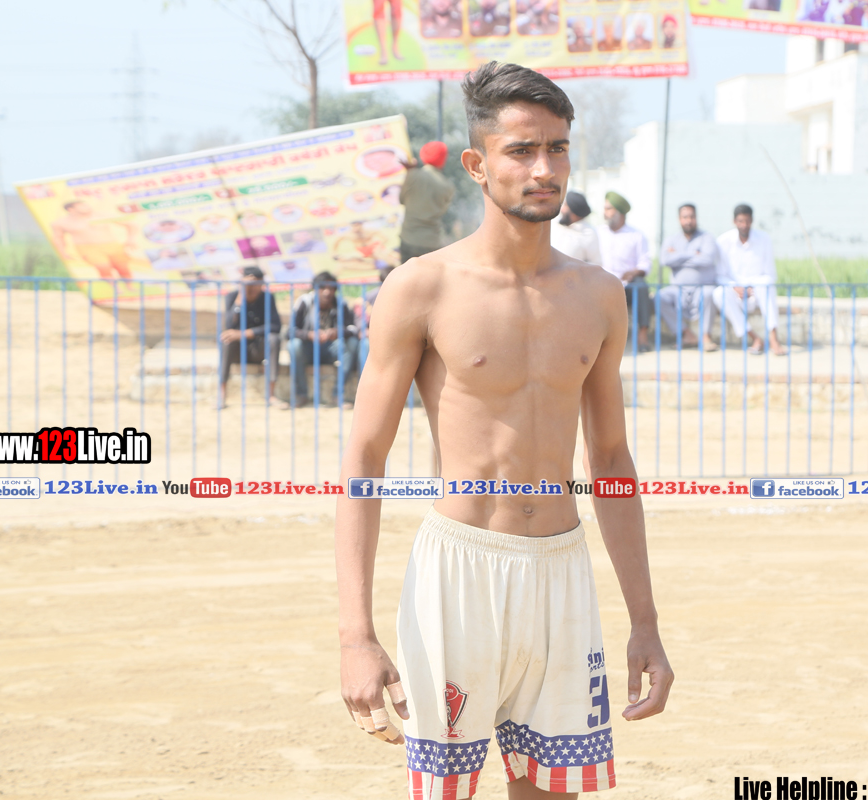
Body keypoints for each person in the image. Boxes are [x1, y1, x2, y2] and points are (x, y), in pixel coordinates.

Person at [335, 61, 673, 800]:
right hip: (459, 573)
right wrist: (355, 634)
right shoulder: (422, 287)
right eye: (521, 150)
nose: (543, 169)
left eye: (557, 148)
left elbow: (611, 458)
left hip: (562, 573)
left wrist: (644, 621)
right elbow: (364, 454)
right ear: (477, 164)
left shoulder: (598, 296)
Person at [712, 204, 785, 355]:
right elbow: (719, 275)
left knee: (768, 287)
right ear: (734, 221)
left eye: (747, 221)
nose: (744, 225)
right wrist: (735, 287)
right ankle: (755, 338)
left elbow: (770, 275)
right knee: (718, 294)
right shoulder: (723, 241)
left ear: (752, 221)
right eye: (740, 221)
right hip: (735, 293)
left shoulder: (764, 239)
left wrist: (753, 286)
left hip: (757, 292)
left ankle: (774, 339)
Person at [283, 271, 362, 409]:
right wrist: (309, 335)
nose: (327, 292)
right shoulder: (304, 302)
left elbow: (353, 329)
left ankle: (337, 395)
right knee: (293, 345)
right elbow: (289, 331)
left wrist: (336, 332)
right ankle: (301, 394)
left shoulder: (340, 303)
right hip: (308, 349)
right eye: (323, 288)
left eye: (331, 288)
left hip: (331, 349)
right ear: (315, 288)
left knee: (352, 344)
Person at [657, 203, 719, 350]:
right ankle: (686, 334)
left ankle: (706, 337)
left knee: (709, 294)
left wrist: (677, 256)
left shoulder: (707, 237)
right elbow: (664, 260)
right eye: (685, 217)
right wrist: (692, 254)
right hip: (678, 289)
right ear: (679, 219)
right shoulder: (672, 239)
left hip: (702, 287)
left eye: (691, 217)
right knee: (660, 297)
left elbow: (707, 259)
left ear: (696, 218)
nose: (688, 221)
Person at [218, 266, 282, 409]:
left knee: (274, 339)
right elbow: (229, 325)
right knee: (226, 340)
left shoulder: (267, 298)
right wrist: (241, 296)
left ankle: (271, 394)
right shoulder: (232, 297)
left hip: (259, 349)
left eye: (257, 283)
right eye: (250, 284)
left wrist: (245, 333)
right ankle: (221, 394)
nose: (253, 287)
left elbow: (275, 326)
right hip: (238, 351)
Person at [598, 191, 653, 350]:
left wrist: (634, 272)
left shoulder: (636, 235)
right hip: (601, 284)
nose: (605, 213)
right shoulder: (598, 233)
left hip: (626, 286)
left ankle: (642, 335)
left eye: (609, 209)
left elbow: (645, 263)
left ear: (619, 212)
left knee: (641, 285)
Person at [400, 141, 457, 266]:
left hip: (410, 238)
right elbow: (442, 210)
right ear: (443, 160)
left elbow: (401, 200)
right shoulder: (448, 186)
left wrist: (410, 172)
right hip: (432, 242)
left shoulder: (414, 175)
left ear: (423, 155)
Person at [50, 200, 137, 280]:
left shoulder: (102, 215)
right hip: (87, 248)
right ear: (71, 209)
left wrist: (131, 239)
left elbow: (131, 224)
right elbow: (58, 238)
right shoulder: (61, 222)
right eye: (82, 206)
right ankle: (115, 288)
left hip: (112, 245)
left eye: (86, 204)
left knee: (123, 268)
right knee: (104, 268)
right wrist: (62, 252)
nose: (87, 206)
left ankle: (130, 286)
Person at [549, 190, 600, 265]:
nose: (562, 210)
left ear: (574, 212)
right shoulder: (556, 224)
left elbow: (595, 264)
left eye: (566, 206)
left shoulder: (588, 233)